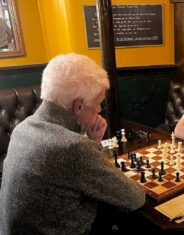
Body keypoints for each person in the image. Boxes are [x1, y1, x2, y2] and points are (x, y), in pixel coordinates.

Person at [0, 53, 145, 235]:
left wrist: (92, 143)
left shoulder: (23, 128)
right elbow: (135, 198)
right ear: (79, 106)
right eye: (99, 103)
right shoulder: (72, 147)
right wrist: (89, 147)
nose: (99, 109)